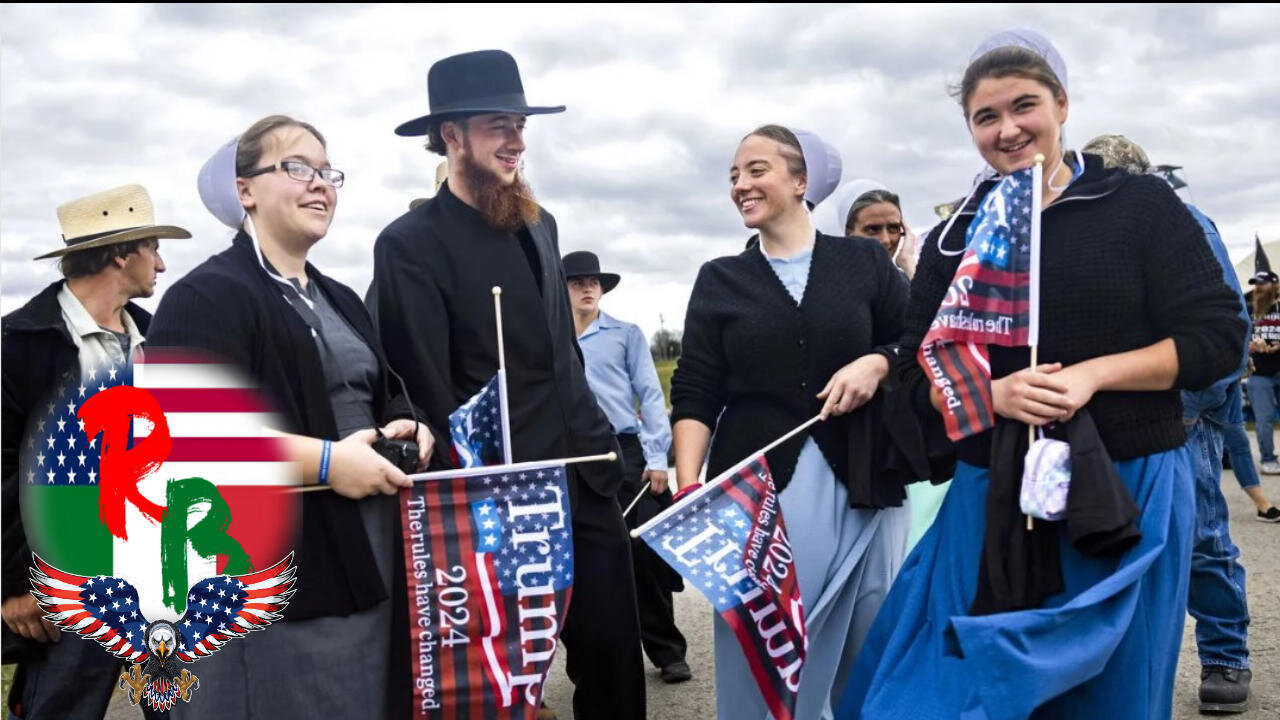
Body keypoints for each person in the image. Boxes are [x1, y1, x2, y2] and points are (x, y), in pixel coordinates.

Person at [837, 30, 1245, 719]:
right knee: (945, 686)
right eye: (985, 117)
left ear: (1061, 104)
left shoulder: (1138, 207)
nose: (1007, 129)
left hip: (1124, 484)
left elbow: (1217, 341)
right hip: (990, 491)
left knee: (1110, 691)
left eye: (1023, 106)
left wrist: (1091, 377)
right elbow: (914, 372)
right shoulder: (956, 237)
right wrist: (987, 394)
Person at [368, 50, 645, 720]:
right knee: (497, 677)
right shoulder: (408, 243)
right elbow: (425, 385)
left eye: (520, 123)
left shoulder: (541, 224)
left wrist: (608, 442)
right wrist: (469, 487)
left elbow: (563, 356)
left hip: (582, 474)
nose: (517, 139)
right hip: (498, 492)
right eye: (498, 124)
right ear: (451, 135)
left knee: (613, 654)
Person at [147, 115, 434, 719]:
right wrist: (328, 462)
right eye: (297, 168)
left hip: (369, 551)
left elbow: (387, 390)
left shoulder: (340, 297)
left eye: (328, 173)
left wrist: (408, 425)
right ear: (244, 190)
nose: (320, 184)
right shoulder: (206, 296)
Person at [671, 123, 911, 719]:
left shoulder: (861, 261)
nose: (740, 185)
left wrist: (877, 362)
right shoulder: (719, 279)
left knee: (869, 631)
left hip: (863, 476)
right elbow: (697, 390)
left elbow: (916, 338)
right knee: (765, 634)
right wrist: (688, 486)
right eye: (733, 176)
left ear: (800, 182)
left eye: (756, 171)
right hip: (760, 495)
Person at [1083, 132, 1274, 713]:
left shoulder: (1186, 223)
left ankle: (1223, 655)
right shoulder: (1087, 229)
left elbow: (1227, 324)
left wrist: (1190, 409)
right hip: (1109, 418)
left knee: (1201, 540)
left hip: (1177, 413)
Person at [2, 184, 188, 719]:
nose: (162, 262)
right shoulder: (18, 343)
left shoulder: (162, 342)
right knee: (62, 707)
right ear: (121, 253)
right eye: (153, 248)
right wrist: (14, 584)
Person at [562, 250, 690, 684]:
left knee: (642, 548)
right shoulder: (550, 337)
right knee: (588, 556)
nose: (587, 288)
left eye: (593, 281)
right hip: (571, 454)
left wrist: (657, 459)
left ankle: (667, 649)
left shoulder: (626, 334)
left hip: (624, 450)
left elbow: (651, 396)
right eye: (577, 281)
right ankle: (604, 658)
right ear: (562, 289)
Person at [1247, 247, 1280, 476]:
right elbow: (1238, 336)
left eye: (1263, 284)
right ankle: (1268, 459)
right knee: (1264, 420)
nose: (1258, 289)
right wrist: (1250, 345)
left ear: (1274, 285)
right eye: (1256, 284)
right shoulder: (1247, 307)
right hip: (1259, 374)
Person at [844, 188, 918, 278]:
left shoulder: (905, 281)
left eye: (893, 228)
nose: (885, 240)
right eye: (872, 229)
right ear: (849, 233)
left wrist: (907, 261)